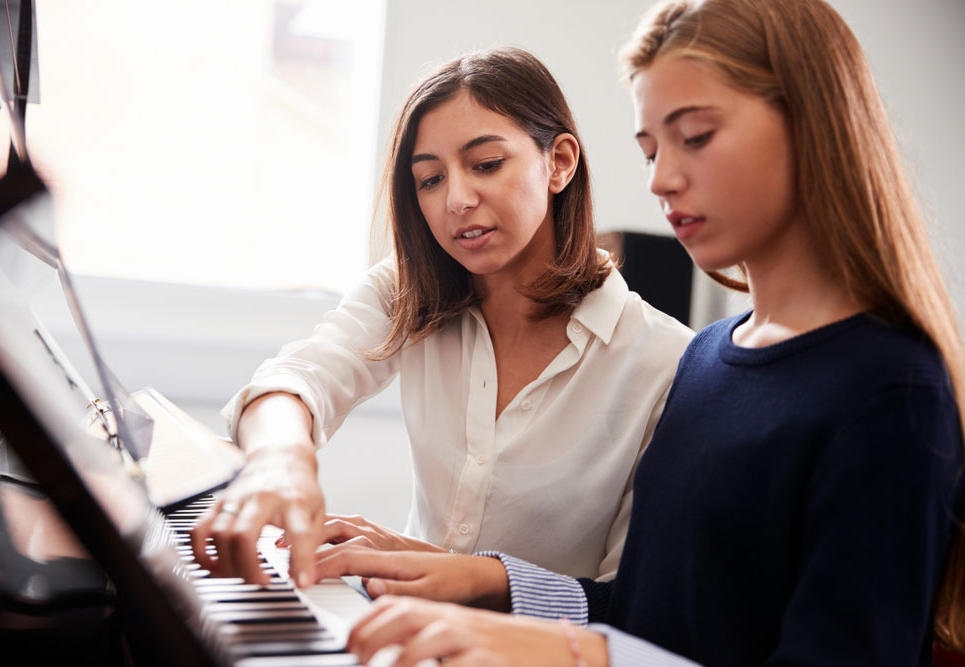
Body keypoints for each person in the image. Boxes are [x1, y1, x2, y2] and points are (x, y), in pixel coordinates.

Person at [312, 0, 965, 664]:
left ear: (811, 126)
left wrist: (575, 654)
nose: (659, 179)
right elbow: (649, 614)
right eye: (650, 148)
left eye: (696, 136)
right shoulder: (713, 358)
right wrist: (484, 579)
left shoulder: (891, 390)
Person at [189, 47, 693, 589]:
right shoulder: (410, 292)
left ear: (560, 162)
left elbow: (631, 604)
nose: (456, 199)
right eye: (429, 179)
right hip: (396, 626)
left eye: (486, 165)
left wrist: (461, 576)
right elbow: (300, 378)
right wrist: (279, 461)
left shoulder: (665, 364)